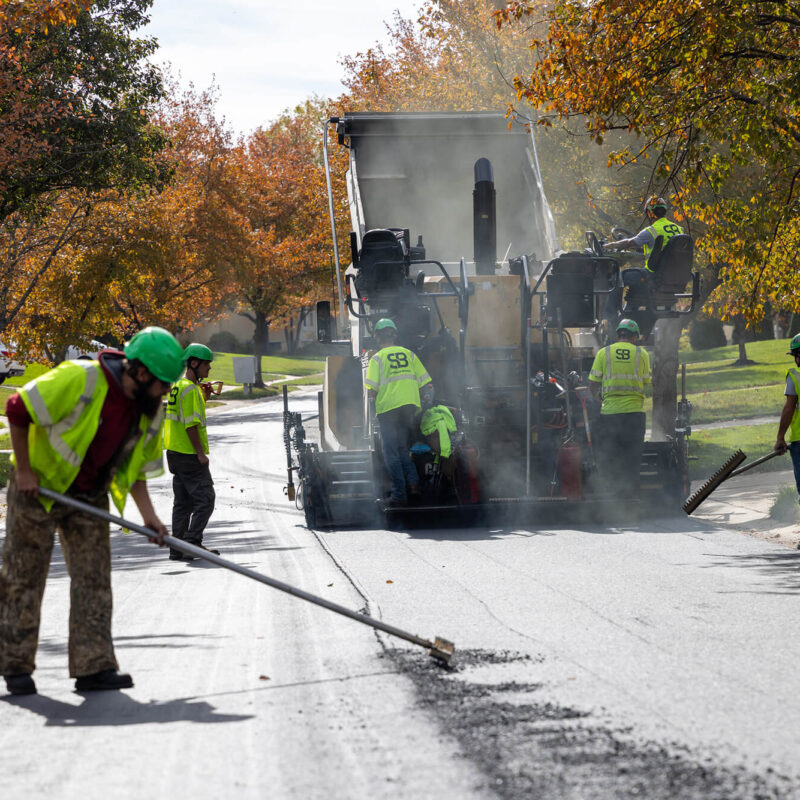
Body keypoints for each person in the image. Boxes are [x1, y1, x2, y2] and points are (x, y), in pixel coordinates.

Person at [0, 326, 185, 696]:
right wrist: (23, 470)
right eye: (164, 383)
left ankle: (93, 666)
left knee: (94, 580)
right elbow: (17, 408)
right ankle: (15, 665)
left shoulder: (150, 407)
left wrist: (148, 516)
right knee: (23, 577)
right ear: (141, 373)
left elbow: (138, 467)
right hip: (38, 490)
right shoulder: (80, 378)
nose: (167, 391)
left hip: (88, 496)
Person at [365, 318, 433, 508]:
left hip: (388, 409)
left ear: (378, 337)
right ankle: (414, 486)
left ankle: (398, 495)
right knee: (403, 449)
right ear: (394, 335)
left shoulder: (377, 358)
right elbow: (426, 383)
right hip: (408, 408)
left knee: (391, 453)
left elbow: (371, 390)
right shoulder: (409, 355)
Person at [164, 343, 217, 561]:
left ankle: (177, 547)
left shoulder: (178, 386)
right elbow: (190, 425)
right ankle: (192, 543)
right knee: (206, 499)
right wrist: (200, 453)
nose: (209, 369)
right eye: (207, 365)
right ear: (194, 363)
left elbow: (184, 413)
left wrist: (203, 397)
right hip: (189, 454)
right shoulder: (191, 390)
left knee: (183, 502)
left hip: (174, 453)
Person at [588, 318, 651, 496]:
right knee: (632, 459)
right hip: (634, 416)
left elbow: (592, 383)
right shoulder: (642, 354)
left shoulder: (603, 353)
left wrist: (599, 401)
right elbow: (646, 382)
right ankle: (631, 498)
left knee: (610, 458)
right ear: (635, 337)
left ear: (617, 335)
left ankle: (611, 498)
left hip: (610, 414)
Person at [604, 196, 684, 316]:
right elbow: (665, 251)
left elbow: (628, 243)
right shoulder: (679, 230)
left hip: (653, 275)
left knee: (619, 277)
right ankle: (631, 308)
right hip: (674, 279)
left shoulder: (652, 230)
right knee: (634, 279)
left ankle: (610, 316)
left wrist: (608, 246)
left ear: (650, 213)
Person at [774, 335, 800, 521]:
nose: (796, 360)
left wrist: (780, 438)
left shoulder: (796, 377)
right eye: (794, 355)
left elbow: (789, 408)